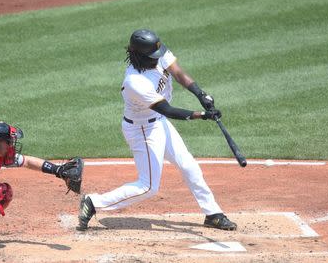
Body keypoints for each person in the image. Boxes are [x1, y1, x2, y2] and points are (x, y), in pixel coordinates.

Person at [77, 29, 237, 231]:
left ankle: (213, 213)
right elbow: (168, 110)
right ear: (139, 56)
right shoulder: (135, 82)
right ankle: (93, 202)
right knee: (148, 186)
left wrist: (201, 94)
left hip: (158, 122)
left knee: (188, 165)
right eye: (152, 58)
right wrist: (201, 115)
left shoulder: (156, 51)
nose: (157, 60)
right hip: (143, 130)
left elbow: (178, 73)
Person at [0, 121, 82, 246]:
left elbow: (27, 161)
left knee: (3, 193)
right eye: (9, 141)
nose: (11, 145)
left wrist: (58, 170)